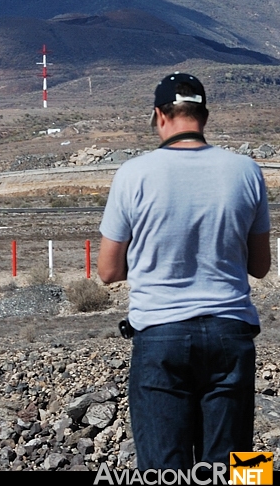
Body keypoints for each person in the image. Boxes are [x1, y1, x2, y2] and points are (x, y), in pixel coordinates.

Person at [98, 72, 271, 470]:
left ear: (160, 115)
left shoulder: (133, 174)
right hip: (232, 331)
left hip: (160, 334)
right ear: (204, 116)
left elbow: (107, 271)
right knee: (238, 465)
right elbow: (260, 267)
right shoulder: (246, 170)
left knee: (162, 469)